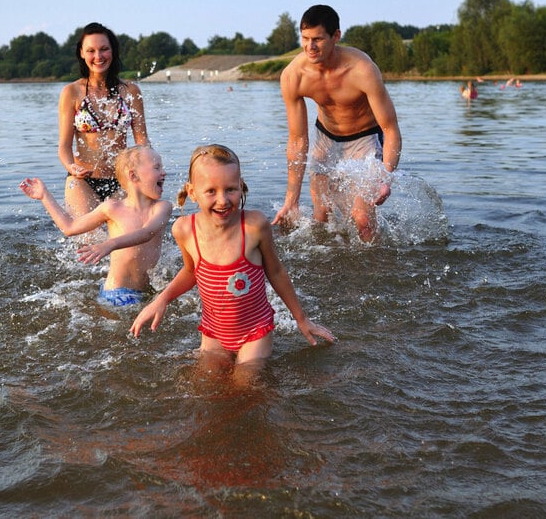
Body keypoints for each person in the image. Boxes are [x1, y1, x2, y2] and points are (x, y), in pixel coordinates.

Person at [130, 144, 334, 373]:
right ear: (192, 192)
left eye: (230, 189)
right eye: (211, 191)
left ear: (241, 186)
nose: (222, 200)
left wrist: (302, 319)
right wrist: (162, 299)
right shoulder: (184, 230)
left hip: (255, 333)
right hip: (213, 332)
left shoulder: (254, 226)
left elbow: (275, 272)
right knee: (206, 384)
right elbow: (191, 272)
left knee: (245, 386)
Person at [272, 4, 402, 242]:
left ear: (336, 36)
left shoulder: (362, 70)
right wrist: (291, 200)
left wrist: (385, 176)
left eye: (318, 39)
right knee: (321, 217)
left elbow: (390, 128)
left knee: (361, 217)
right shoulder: (294, 76)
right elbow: (298, 140)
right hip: (326, 138)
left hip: (365, 138)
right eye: (305, 38)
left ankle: (377, 267)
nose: (310, 47)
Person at [20, 145, 172, 307]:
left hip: (150, 291)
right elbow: (69, 227)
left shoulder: (162, 207)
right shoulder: (112, 208)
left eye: (161, 167)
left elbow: (147, 232)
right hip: (118, 292)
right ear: (133, 176)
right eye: (157, 167)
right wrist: (45, 197)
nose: (163, 172)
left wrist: (109, 244)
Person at [58, 22, 148, 218]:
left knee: (124, 241)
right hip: (82, 181)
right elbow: (64, 147)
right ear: (82, 53)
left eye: (104, 49)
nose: (98, 56)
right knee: (88, 242)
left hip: (123, 180)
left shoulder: (131, 91)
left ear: (113, 51)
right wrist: (71, 167)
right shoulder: (71, 93)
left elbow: (142, 141)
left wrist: (150, 170)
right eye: (91, 50)